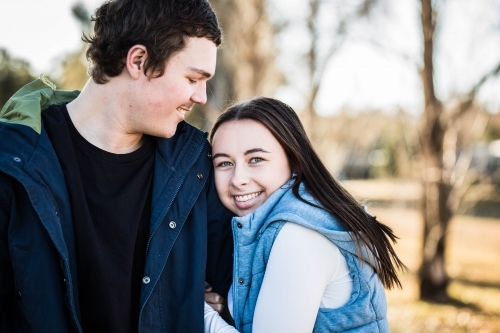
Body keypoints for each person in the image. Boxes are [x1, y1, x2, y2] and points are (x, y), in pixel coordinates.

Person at [0, 0, 233, 332]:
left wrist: (218, 309)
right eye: (194, 78)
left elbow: (238, 282)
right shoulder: (12, 162)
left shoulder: (197, 167)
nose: (202, 97)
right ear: (138, 61)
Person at [203, 97, 406, 333]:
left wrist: (197, 310)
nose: (238, 179)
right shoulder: (275, 225)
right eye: (224, 163)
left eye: (256, 159)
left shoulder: (299, 235)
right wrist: (225, 310)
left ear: (294, 160)